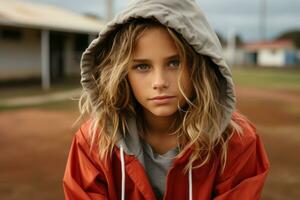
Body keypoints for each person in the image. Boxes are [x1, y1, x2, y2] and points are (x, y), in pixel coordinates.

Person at [63, 0, 269, 199]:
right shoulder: (92, 143)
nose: (159, 82)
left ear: (200, 65)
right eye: (142, 66)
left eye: (174, 63)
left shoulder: (236, 142)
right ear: (121, 73)